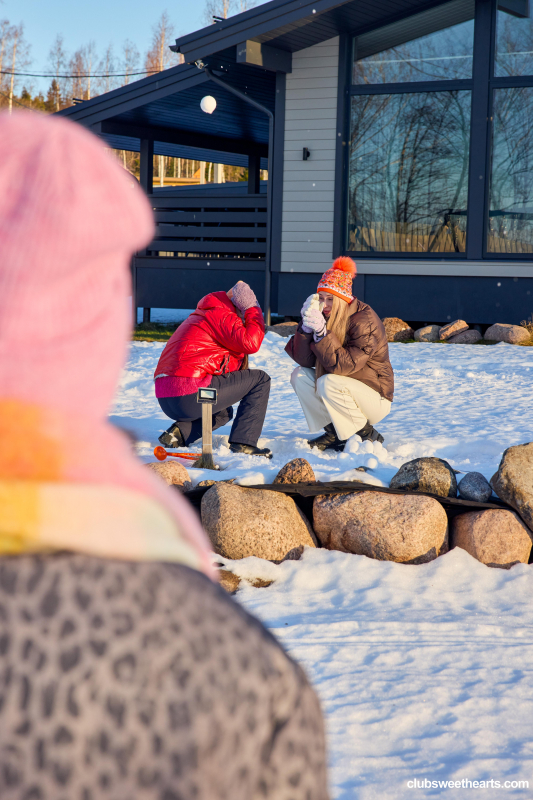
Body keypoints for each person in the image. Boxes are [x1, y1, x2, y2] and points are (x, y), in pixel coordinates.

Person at [0, 112, 329, 800]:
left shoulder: (197, 310)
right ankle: (238, 440)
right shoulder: (236, 678)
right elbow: (248, 353)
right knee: (263, 381)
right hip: (191, 394)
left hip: (169, 395)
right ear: (89, 327)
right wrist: (255, 317)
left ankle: (194, 435)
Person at [286, 257, 394, 452]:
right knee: (299, 376)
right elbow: (305, 360)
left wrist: (322, 334)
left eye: (331, 299)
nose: (325, 305)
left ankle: (368, 436)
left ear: (343, 299)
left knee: (328, 382)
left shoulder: (364, 320)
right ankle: (335, 433)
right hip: (344, 389)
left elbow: (345, 366)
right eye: (321, 298)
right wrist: (306, 329)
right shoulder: (325, 317)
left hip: (374, 396)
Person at [155, 282, 272, 458]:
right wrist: (252, 308)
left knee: (223, 412)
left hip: (168, 398)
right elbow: (251, 342)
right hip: (189, 394)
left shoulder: (205, 314)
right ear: (239, 304)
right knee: (260, 379)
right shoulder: (222, 314)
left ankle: (179, 433)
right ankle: (244, 443)